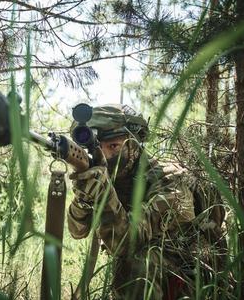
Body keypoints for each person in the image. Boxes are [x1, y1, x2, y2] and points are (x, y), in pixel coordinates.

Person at [67, 104, 225, 299]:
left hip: (193, 276)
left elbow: (125, 243)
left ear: (134, 145)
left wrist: (104, 194)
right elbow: (77, 231)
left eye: (114, 146)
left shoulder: (168, 182)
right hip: (154, 278)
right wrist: (83, 199)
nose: (105, 156)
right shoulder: (114, 179)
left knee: (136, 264)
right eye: (98, 148)